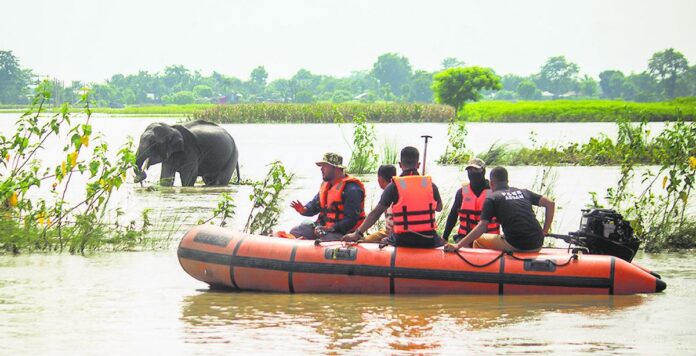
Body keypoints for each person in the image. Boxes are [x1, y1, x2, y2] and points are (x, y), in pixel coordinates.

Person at [343, 146, 445, 248]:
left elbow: (375, 213)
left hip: (403, 239)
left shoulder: (394, 186)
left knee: (383, 240)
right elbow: (439, 208)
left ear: (400, 164)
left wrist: (357, 233)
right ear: (418, 165)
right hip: (429, 239)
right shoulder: (430, 185)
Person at [444, 166, 555, 253]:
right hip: (538, 242)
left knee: (478, 240)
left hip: (516, 244)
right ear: (507, 180)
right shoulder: (524, 192)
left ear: (491, 183)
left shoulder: (493, 197)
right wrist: (544, 231)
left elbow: (482, 227)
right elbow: (550, 203)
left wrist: (458, 245)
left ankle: (484, 274)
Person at [288, 152, 366, 241]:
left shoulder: (352, 190)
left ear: (336, 168)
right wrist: (304, 210)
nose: (321, 169)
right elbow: (314, 205)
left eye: (324, 166)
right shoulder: (327, 186)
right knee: (296, 231)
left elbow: (351, 220)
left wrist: (331, 228)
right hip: (323, 229)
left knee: (325, 240)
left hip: (343, 232)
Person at [442, 158, 500, 243]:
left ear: (483, 171)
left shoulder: (494, 192)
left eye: (476, 170)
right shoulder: (462, 192)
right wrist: (445, 237)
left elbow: (506, 218)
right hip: (465, 237)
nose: (472, 173)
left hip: (489, 237)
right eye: (469, 170)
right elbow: (453, 215)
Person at [363, 164, 397, 243]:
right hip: (392, 231)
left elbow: (375, 214)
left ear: (380, 179)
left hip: (393, 233)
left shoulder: (389, 194)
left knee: (363, 241)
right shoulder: (398, 190)